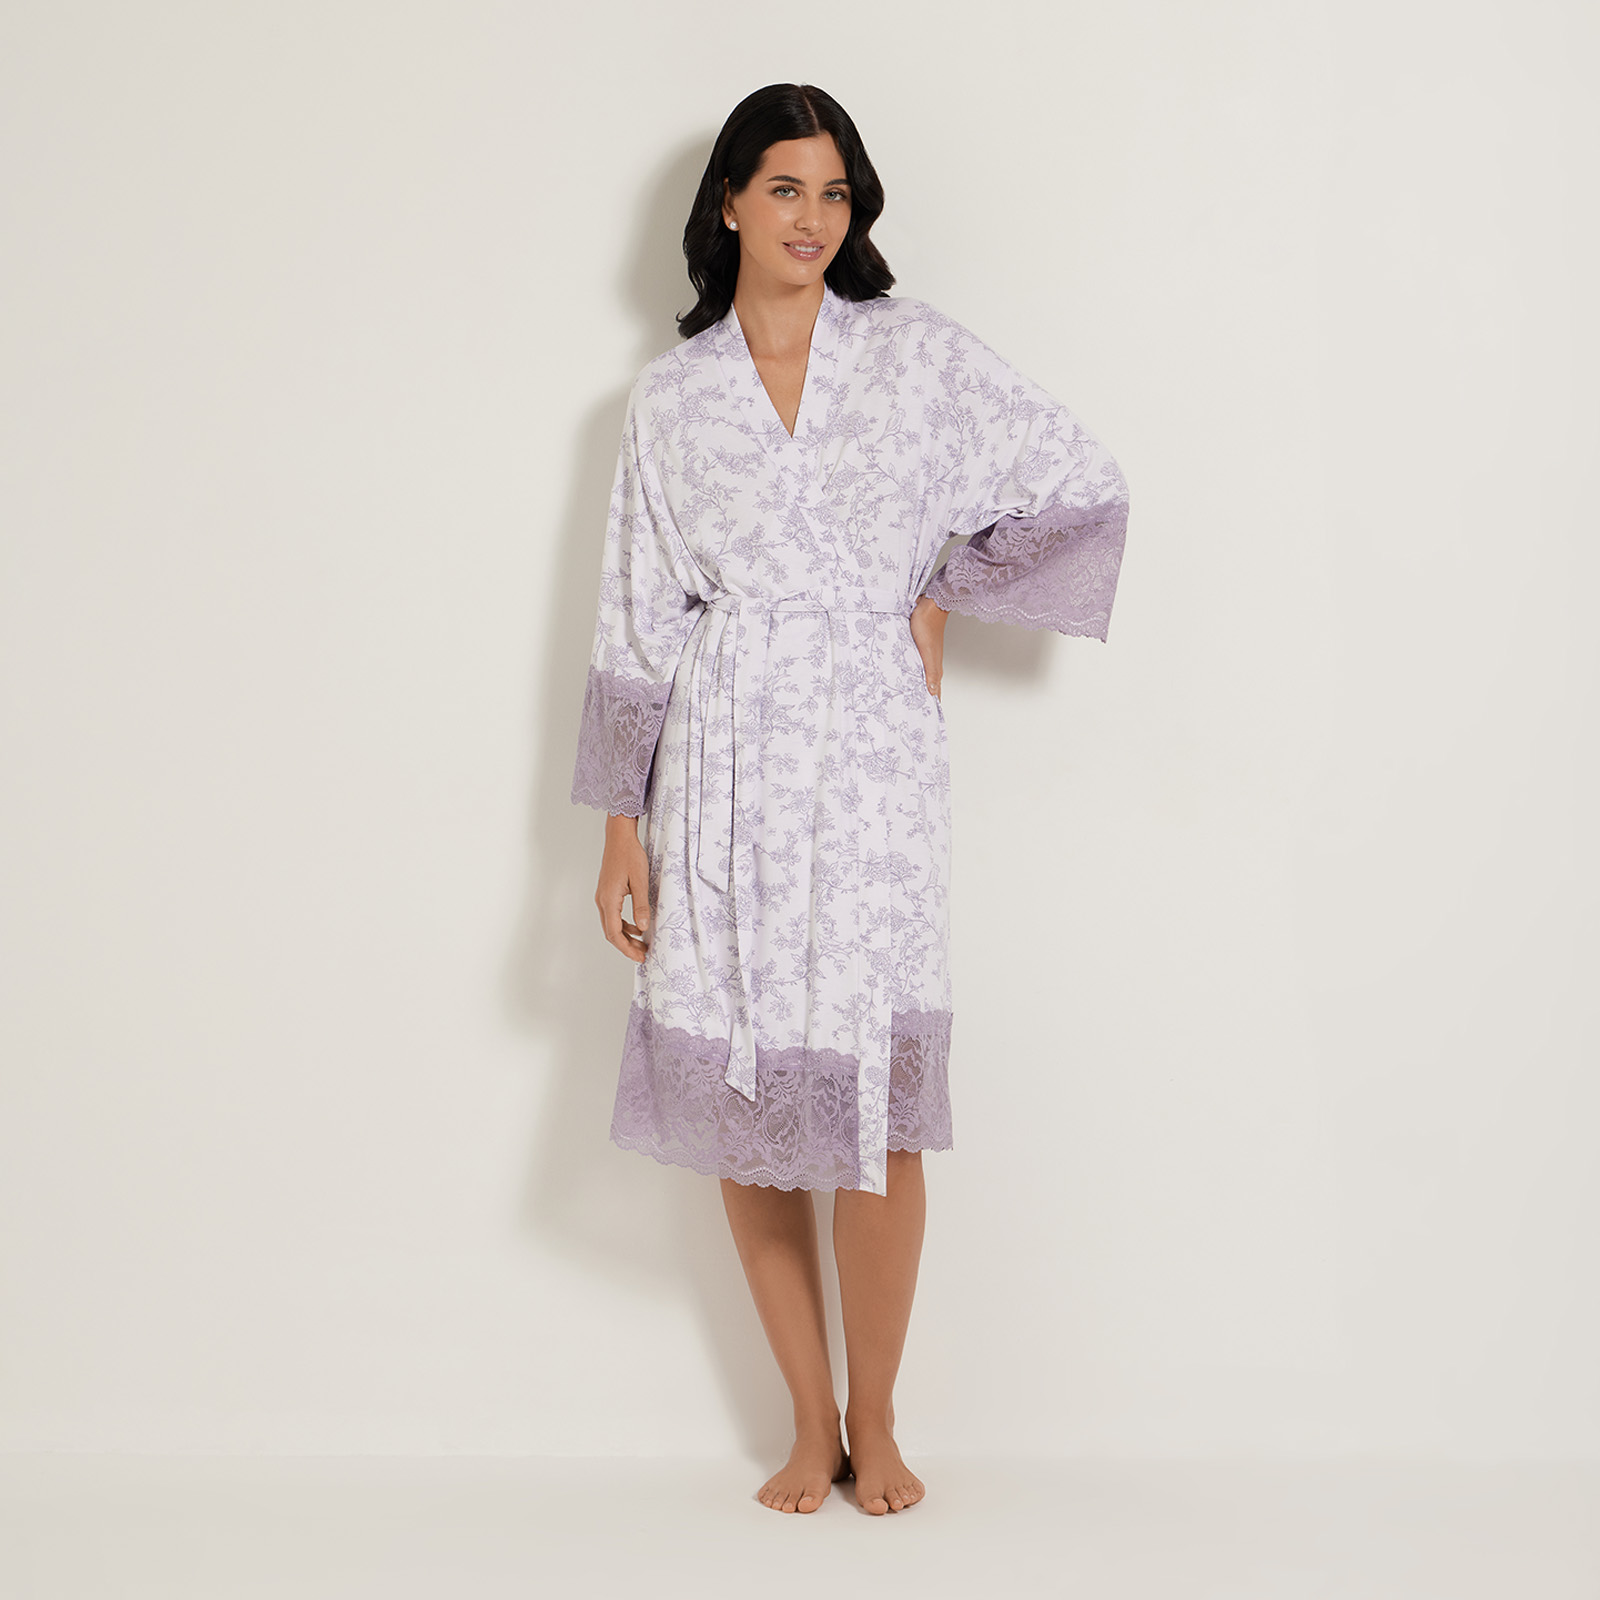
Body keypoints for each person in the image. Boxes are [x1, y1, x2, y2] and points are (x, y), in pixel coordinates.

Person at [570, 83, 1129, 1516]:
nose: (813, 218)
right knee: (748, 1089)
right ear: (728, 204)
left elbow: (1078, 479)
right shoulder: (671, 398)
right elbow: (636, 610)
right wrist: (623, 822)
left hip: (872, 765)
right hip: (721, 765)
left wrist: (939, 585)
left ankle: (878, 1418)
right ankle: (807, 1420)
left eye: (835, 194)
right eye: (785, 188)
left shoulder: (913, 356)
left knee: (873, 1102)